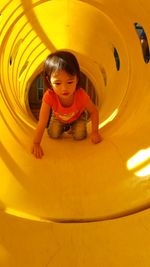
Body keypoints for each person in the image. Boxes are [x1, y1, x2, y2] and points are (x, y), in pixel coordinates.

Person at [31, 51, 102, 158]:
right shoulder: (49, 96)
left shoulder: (80, 94)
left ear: (77, 78)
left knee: (80, 136)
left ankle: (72, 127)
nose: (64, 88)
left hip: (77, 117)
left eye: (69, 82)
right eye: (57, 83)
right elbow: (42, 121)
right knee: (53, 134)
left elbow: (93, 111)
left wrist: (95, 132)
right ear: (49, 81)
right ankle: (65, 127)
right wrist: (36, 143)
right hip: (58, 118)